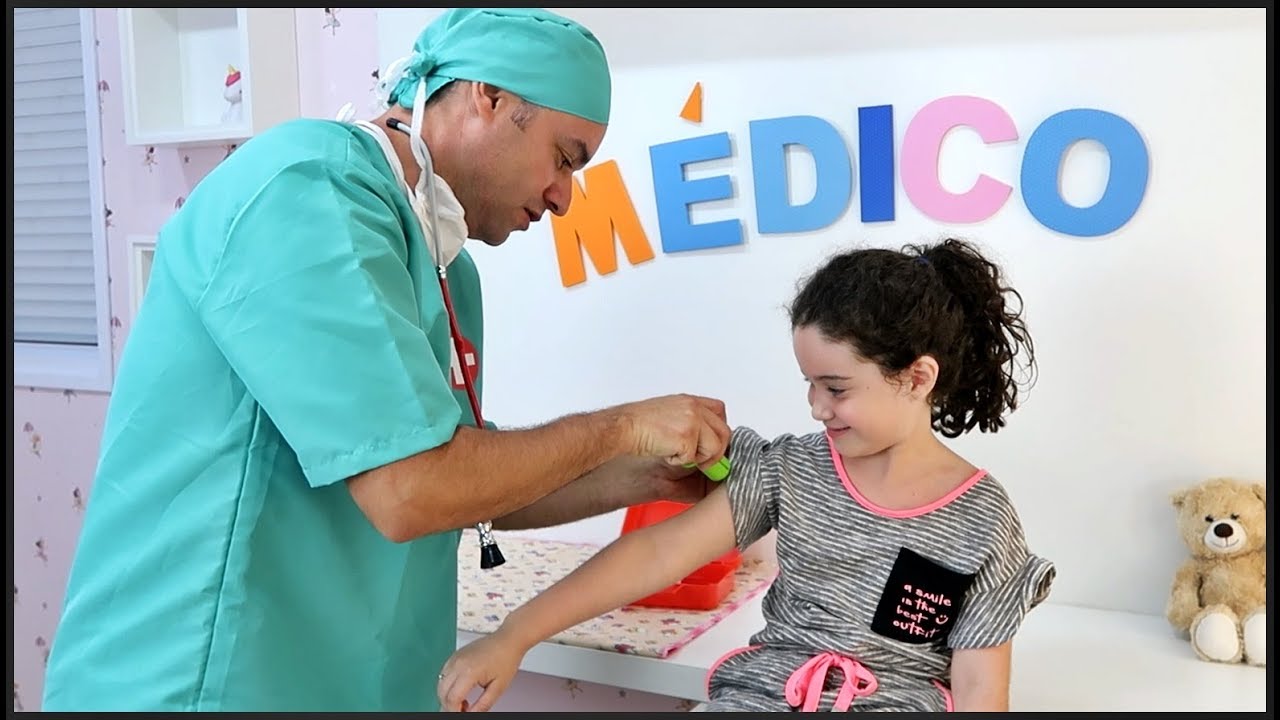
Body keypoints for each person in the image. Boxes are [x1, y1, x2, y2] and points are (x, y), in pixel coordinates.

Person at [41, 8, 731, 713]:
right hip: (205, 675)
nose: (564, 197)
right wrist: (621, 428)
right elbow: (411, 489)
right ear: (488, 95)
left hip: (342, 677)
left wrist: (643, 474)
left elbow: (466, 475)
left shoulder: (446, 269)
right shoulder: (305, 190)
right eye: (565, 156)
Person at [437, 237, 1058, 713]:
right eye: (809, 384)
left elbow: (979, 685)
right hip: (761, 698)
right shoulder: (790, 469)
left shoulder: (982, 521)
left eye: (836, 388)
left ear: (916, 378)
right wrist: (514, 637)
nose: (816, 408)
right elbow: (655, 554)